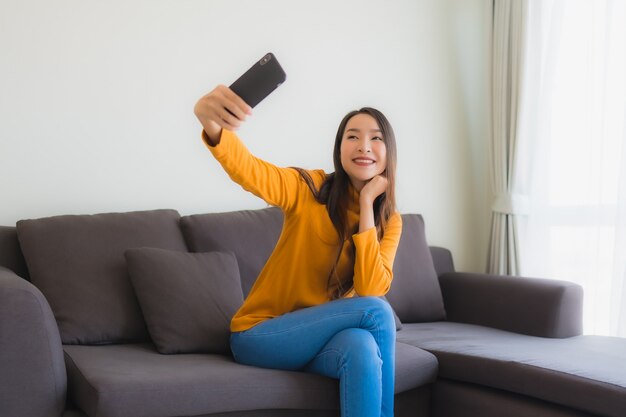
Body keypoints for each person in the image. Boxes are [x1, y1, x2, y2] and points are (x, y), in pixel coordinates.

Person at [194, 84, 403, 417]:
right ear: (339, 148)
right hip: (260, 334)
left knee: (362, 346)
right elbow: (253, 172)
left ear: (388, 151)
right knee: (377, 312)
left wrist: (366, 205)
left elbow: (370, 286)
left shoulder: (389, 222)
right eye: (352, 136)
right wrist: (214, 128)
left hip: (316, 340)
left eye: (376, 138)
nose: (364, 146)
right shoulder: (309, 189)